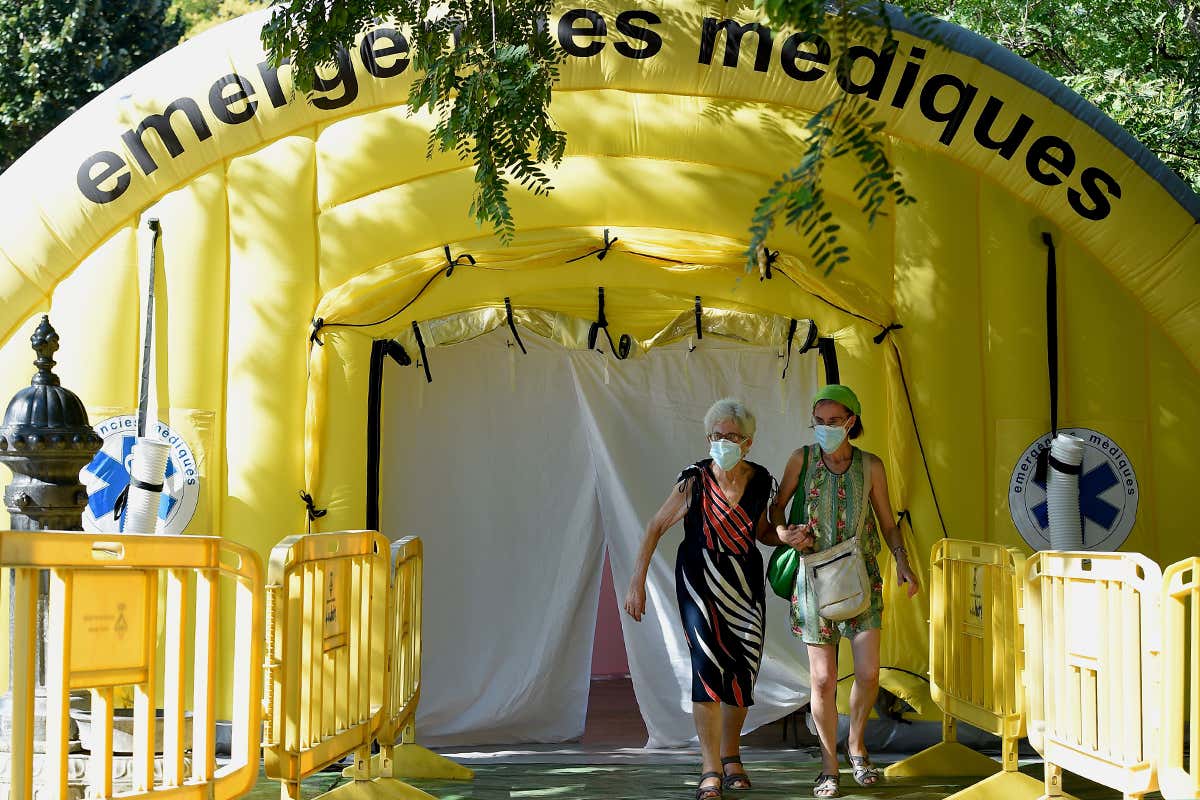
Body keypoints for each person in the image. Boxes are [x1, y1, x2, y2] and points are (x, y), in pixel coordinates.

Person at [769, 384, 920, 799]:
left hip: (861, 575)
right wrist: (784, 532)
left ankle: (856, 745)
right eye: (819, 421)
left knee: (869, 673)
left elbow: (888, 521)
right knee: (822, 680)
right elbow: (776, 507)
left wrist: (903, 561)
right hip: (813, 578)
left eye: (833, 421)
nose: (825, 428)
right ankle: (828, 765)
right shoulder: (801, 458)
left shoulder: (870, 466)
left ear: (851, 421)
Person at [624, 398, 775, 800]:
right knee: (707, 669)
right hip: (699, 582)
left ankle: (731, 755)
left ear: (748, 441)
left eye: (733, 436)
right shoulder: (694, 480)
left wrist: (789, 536)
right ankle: (710, 767)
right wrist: (636, 583)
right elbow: (655, 526)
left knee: (743, 672)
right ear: (708, 437)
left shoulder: (761, 480)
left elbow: (762, 531)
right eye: (717, 435)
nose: (724, 441)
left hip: (745, 584)